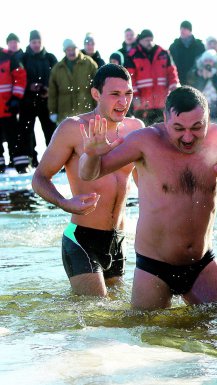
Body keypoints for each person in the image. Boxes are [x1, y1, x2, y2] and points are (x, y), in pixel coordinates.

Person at [78, 86, 217, 310]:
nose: (188, 136)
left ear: (208, 118)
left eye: (196, 127)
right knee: (145, 334)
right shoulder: (145, 141)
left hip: (202, 264)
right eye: (179, 128)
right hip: (153, 268)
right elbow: (90, 173)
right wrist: (91, 155)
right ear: (165, 119)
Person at [32, 64, 144, 296]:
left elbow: (145, 183)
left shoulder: (136, 129)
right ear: (96, 94)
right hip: (82, 239)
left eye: (128, 94)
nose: (123, 102)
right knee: (94, 314)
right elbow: (39, 178)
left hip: (118, 240)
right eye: (115, 94)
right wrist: (65, 203)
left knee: (115, 316)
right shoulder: (73, 128)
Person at [20, 30, 58, 167]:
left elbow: (57, 78)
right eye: (34, 42)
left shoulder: (50, 58)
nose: (36, 45)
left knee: (51, 132)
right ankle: (31, 160)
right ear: (29, 43)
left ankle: (54, 161)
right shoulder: (23, 58)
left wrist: (48, 89)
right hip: (28, 101)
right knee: (27, 132)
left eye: (38, 42)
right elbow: (18, 77)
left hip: (46, 101)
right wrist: (29, 86)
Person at [126, 29, 180, 126]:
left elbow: (172, 71)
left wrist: (174, 84)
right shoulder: (132, 55)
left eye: (151, 40)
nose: (150, 43)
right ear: (140, 41)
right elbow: (130, 78)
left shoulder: (164, 53)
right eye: (147, 40)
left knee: (163, 132)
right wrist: (135, 96)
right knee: (144, 132)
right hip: (142, 104)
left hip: (162, 103)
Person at [48, 39, 98, 125]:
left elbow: (97, 86)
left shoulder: (89, 64)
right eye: (68, 49)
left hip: (86, 111)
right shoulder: (58, 68)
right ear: (65, 51)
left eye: (73, 49)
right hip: (65, 114)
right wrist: (53, 111)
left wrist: (98, 107)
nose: (71, 52)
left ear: (78, 49)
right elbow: (52, 92)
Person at [0, 43, 27, 173]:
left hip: (7, 106)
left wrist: (16, 97)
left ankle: (21, 165)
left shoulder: (7, 56)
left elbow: (20, 76)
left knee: (14, 137)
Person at [169, 20, 205, 86]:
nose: (182, 31)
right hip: (179, 81)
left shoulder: (199, 46)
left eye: (185, 28)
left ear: (190, 30)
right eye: (181, 28)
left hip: (196, 81)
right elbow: (170, 64)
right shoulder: (174, 46)